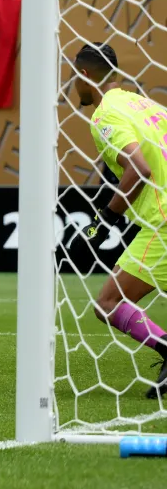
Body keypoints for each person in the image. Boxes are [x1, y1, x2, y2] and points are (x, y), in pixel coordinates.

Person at [73, 42, 167, 398]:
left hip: (163, 223)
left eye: (74, 77)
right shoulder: (145, 104)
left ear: (84, 75)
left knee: (107, 304)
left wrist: (106, 217)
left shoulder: (105, 115)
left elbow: (138, 169)